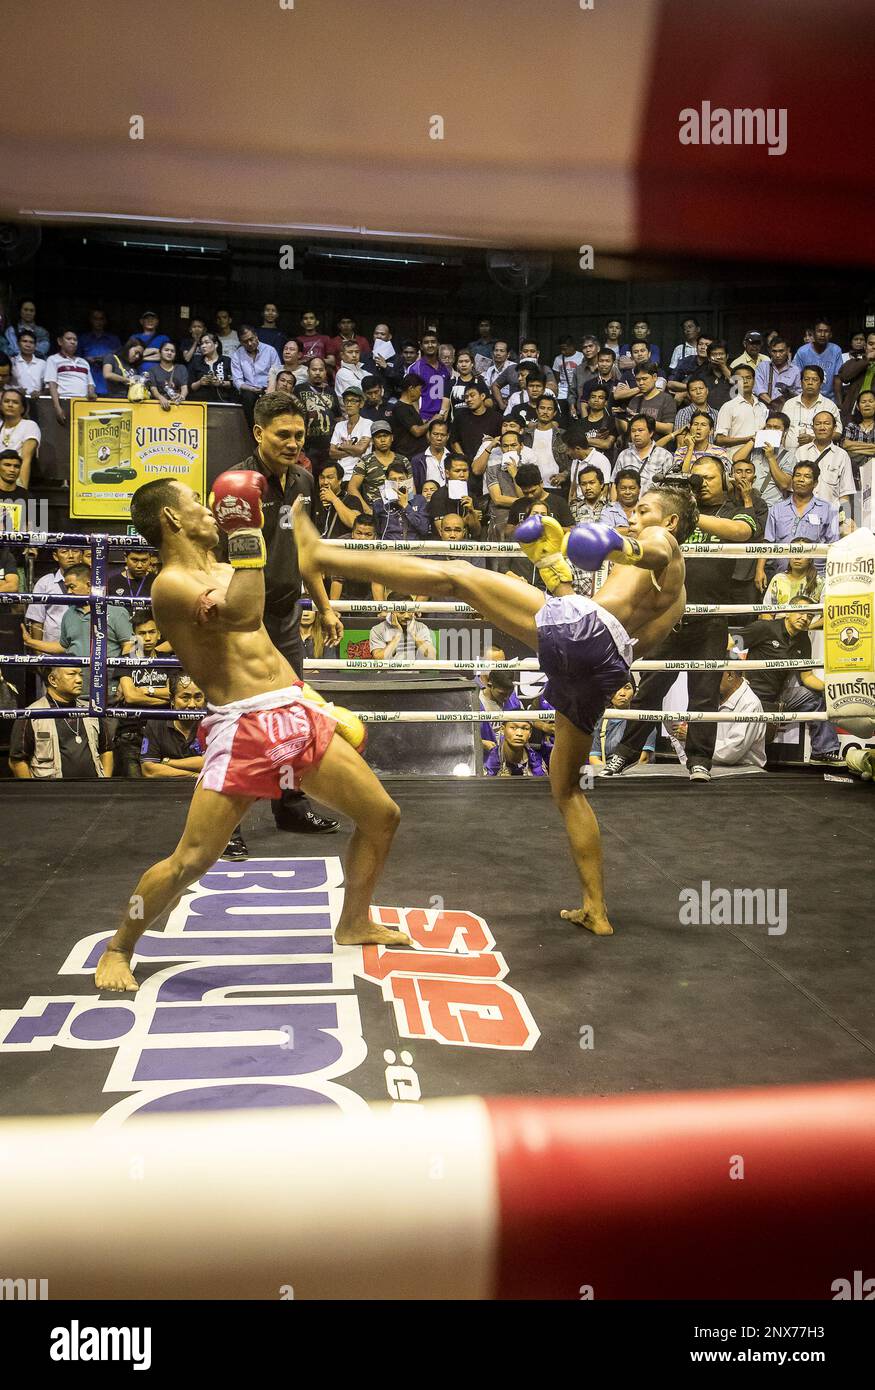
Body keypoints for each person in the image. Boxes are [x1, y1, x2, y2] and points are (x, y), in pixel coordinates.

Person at [290, 475, 695, 936]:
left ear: (672, 519)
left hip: (589, 639)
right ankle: (595, 910)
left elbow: (652, 555)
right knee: (567, 791)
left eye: (644, 510)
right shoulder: (671, 596)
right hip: (598, 673)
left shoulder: (660, 545)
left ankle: (320, 553)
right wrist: (553, 562)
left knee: (459, 576)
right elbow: (595, 623)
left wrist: (624, 546)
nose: (635, 516)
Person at [94, 472, 410, 991]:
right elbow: (242, 616)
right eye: (197, 502)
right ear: (172, 518)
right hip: (244, 727)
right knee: (192, 859)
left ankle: (354, 921)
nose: (209, 509)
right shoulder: (171, 584)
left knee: (382, 816)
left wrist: (281, 528)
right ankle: (119, 946)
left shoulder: (223, 566)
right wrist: (247, 537)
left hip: (294, 707)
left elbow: (264, 612)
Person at [226, 391, 344, 839]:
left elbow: (305, 551)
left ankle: (290, 806)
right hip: (241, 621)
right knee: (240, 721)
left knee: (291, 716)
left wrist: (324, 604)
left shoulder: (302, 482)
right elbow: (218, 559)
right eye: (283, 435)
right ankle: (228, 826)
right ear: (259, 433)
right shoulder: (235, 483)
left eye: (299, 435)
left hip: (286, 616)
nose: (294, 443)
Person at [603, 459, 757, 783]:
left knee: (704, 693)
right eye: (696, 477)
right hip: (669, 615)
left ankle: (700, 760)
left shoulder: (731, 511)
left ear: (724, 480)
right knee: (649, 689)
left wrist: (688, 513)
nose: (701, 482)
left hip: (711, 618)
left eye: (708, 478)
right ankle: (624, 753)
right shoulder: (667, 517)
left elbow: (743, 532)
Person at [735, 599, 841, 764]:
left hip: (778, 698)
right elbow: (731, 643)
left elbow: (807, 677)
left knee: (816, 698)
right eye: (801, 612)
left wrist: (831, 689)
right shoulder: (765, 628)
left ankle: (822, 751)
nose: (805, 618)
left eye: (810, 615)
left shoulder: (803, 639)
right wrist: (736, 678)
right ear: (788, 611)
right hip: (749, 696)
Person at [9, 665, 114, 779]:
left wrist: (104, 782)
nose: (79, 680)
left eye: (80, 674)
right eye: (71, 674)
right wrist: (33, 794)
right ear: (53, 680)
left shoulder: (92, 710)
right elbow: (17, 761)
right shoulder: (32, 714)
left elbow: (106, 750)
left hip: (93, 791)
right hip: (52, 793)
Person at [756, 461, 840, 592]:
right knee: (782, 613)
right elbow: (767, 541)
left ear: (815, 483)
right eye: (797, 475)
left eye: (807, 476)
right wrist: (759, 570)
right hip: (783, 577)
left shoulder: (829, 509)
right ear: (792, 479)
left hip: (817, 579)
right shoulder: (776, 509)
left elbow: (834, 546)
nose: (801, 479)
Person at [114, 611, 172, 777]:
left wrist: (148, 690)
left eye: (151, 632)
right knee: (134, 790)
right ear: (134, 636)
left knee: (162, 788)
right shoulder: (125, 660)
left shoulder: (168, 659)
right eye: (142, 633)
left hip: (162, 734)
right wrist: (162, 697)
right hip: (132, 733)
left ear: (159, 634)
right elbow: (131, 697)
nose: (147, 638)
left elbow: (174, 694)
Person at [140, 674, 207, 778]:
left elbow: (211, 764)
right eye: (185, 698)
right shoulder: (156, 723)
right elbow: (149, 770)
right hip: (165, 790)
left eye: (198, 698)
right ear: (172, 699)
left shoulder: (212, 724)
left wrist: (168, 762)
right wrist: (192, 775)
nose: (192, 705)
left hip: (204, 790)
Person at [589, 680, 655, 766]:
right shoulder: (602, 722)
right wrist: (607, 773)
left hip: (634, 773)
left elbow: (644, 759)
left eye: (627, 688)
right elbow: (594, 757)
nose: (622, 693)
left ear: (635, 691)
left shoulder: (643, 720)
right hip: (606, 773)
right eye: (616, 688)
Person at [296, 357, 337, 475]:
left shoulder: (331, 391)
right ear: (308, 371)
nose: (317, 373)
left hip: (328, 446)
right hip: (308, 446)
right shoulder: (299, 389)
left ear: (325, 372)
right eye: (314, 369)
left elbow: (338, 416)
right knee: (309, 479)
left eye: (321, 370)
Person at [231, 325, 280, 424]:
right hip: (249, 391)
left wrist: (269, 389)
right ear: (240, 342)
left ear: (256, 336)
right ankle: (253, 429)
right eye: (245, 341)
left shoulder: (270, 351)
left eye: (251, 339)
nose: (249, 343)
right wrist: (252, 389)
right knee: (248, 397)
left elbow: (277, 373)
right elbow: (237, 381)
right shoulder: (237, 355)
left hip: (269, 389)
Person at [45, 330, 96, 424]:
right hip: (65, 402)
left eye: (75, 340)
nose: (72, 342)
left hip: (83, 403)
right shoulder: (53, 359)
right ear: (60, 341)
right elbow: (52, 385)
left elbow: (90, 384)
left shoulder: (83, 362)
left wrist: (91, 392)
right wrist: (57, 408)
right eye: (68, 339)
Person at [370, 462, 430, 540]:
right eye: (393, 480)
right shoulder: (379, 504)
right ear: (387, 482)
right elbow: (377, 532)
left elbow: (424, 529)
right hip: (388, 548)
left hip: (413, 547)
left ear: (408, 480)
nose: (398, 483)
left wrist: (406, 506)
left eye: (401, 479)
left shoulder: (419, 500)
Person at [369, 594, 436, 661]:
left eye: (409, 611)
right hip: (387, 671)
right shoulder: (377, 630)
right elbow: (379, 660)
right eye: (401, 612)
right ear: (391, 612)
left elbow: (432, 657)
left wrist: (413, 634)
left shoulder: (421, 627)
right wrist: (398, 635)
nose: (406, 616)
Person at [328, 386, 373, 481]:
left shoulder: (367, 423)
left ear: (361, 404)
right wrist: (353, 449)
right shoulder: (339, 425)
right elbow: (332, 453)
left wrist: (341, 446)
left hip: (359, 474)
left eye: (353, 401)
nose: (349, 404)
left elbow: (361, 449)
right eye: (346, 401)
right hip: (340, 474)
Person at [0, 386, 39, 486]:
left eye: (15, 402)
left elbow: (26, 460)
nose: (10, 405)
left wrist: (22, 491)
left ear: (22, 408)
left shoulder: (29, 425)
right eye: (6, 401)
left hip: (15, 480)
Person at [78, 309, 121, 396]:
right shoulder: (83, 338)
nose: (98, 322)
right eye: (95, 319)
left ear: (105, 321)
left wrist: (106, 359)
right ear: (90, 320)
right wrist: (86, 359)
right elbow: (76, 359)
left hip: (109, 384)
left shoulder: (114, 339)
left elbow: (121, 359)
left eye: (101, 319)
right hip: (88, 382)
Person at [754, 336, 801, 408]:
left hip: (788, 409)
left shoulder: (795, 370)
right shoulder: (762, 367)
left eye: (781, 351)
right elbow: (758, 389)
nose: (777, 355)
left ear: (788, 350)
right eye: (774, 351)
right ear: (769, 351)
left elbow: (799, 394)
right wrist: (773, 404)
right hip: (764, 409)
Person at [188, 331, 235, 402]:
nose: (203, 346)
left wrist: (220, 383)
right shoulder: (196, 362)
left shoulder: (226, 360)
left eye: (207, 342)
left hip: (223, 401)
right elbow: (190, 387)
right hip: (201, 401)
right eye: (201, 344)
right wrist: (200, 382)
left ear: (216, 344)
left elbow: (233, 383)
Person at [147, 341, 189, 408]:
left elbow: (184, 388)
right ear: (160, 352)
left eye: (172, 351)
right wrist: (161, 398)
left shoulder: (181, 368)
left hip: (178, 405)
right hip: (159, 405)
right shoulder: (153, 370)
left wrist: (181, 397)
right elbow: (153, 389)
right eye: (166, 350)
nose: (169, 353)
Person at [11, 329, 47, 400]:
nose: (28, 345)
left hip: (37, 401)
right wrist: (16, 391)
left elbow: (47, 385)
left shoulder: (42, 363)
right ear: (18, 343)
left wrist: (41, 393)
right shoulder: (12, 362)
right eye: (24, 341)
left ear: (35, 345)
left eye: (31, 342)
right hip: (15, 399)